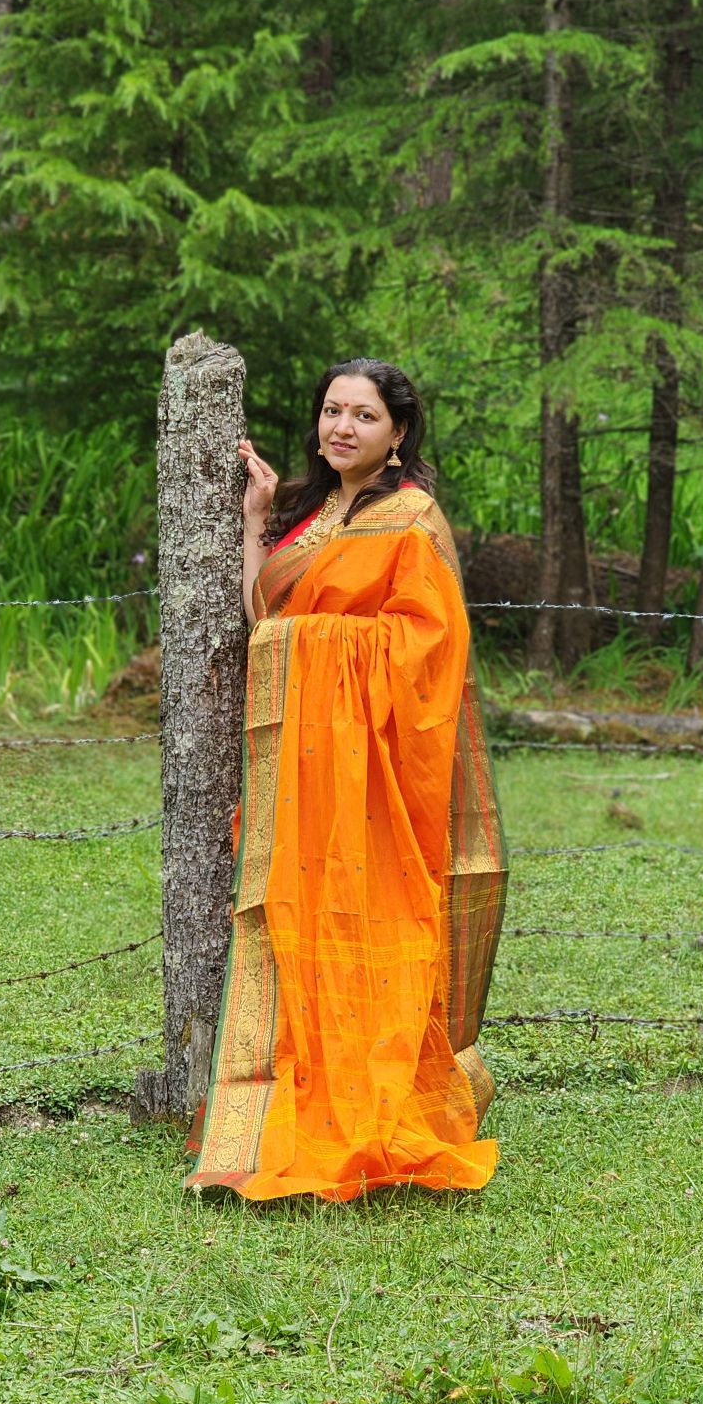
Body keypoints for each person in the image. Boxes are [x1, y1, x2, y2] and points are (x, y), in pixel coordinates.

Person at [186, 357, 507, 1204]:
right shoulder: (308, 512)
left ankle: (373, 1104)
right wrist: (258, 519)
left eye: (363, 417)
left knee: (374, 918)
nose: (342, 429)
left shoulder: (412, 520)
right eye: (332, 411)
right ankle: (288, 1102)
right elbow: (268, 617)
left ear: (398, 433)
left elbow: (428, 650)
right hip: (303, 770)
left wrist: (318, 645)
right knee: (294, 919)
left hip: (373, 781)